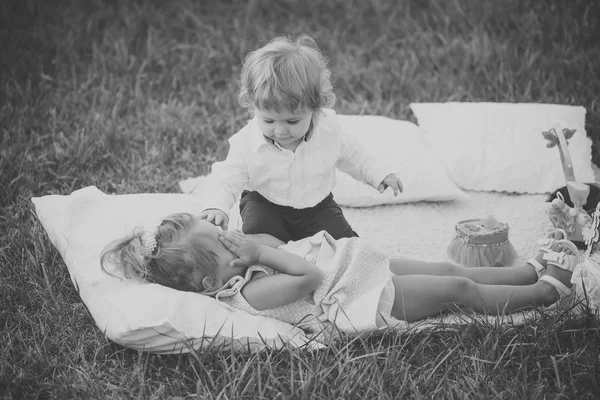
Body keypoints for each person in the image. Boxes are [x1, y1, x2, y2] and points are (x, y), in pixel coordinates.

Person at [101, 213, 580, 335]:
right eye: (223, 245)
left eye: (223, 230)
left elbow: (271, 245)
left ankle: (523, 273)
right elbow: (307, 276)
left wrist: (246, 246)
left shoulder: (243, 262)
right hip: (365, 301)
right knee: (460, 290)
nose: (234, 239)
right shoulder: (252, 294)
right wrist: (250, 253)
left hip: (360, 268)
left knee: (446, 268)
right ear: (212, 283)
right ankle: (545, 292)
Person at [195, 34, 403, 242]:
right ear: (253, 107)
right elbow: (228, 177)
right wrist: (216, 206)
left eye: (292, 121)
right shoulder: (247, 141)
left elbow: (354, 154)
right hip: (265, 204)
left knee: (343, 245)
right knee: (261, 242)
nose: (280, 130)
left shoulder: (328, 130)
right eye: (268, 121)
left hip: (317, 206)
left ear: (315, 108)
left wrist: (379, 174)